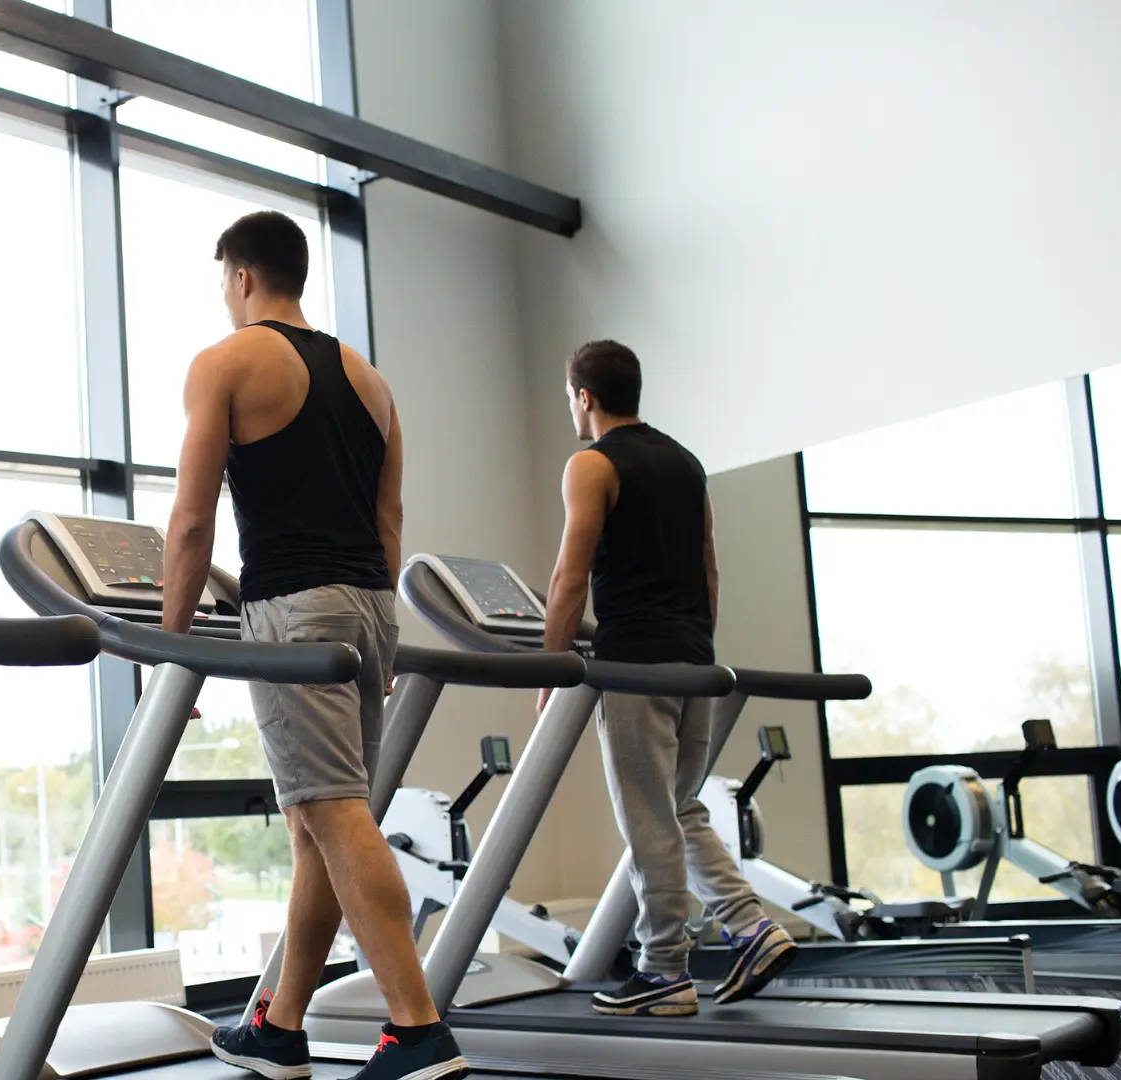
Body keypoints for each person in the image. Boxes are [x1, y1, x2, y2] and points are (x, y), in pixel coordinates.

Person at [162, 211, 466, 1080]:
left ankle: (416, 1030)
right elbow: (389, 517)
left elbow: (191, 520)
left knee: (335, 813)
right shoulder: (369, 379)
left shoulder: (225, 362)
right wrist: (385, 628)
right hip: (368, 607)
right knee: (317, 827)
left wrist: (168, 648)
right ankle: (281, 1025)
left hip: (295, 610)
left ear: (243, 277)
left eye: (225, 282)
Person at [536, 340, 795, 1017]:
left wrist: (551, 668)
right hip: (695, 660)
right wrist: (699, 649)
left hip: (634, 663)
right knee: (681, 809)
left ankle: (663, 971)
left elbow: (570, 577)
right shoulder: (686, 464)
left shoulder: (590, 465)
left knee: (649, 820)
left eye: (571, 396)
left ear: (584, 397)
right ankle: (751, 926)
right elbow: (709, 568)